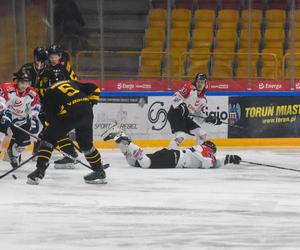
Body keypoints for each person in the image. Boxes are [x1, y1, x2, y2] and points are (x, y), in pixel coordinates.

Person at [26, 73, 105, 185]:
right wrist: (91, 102)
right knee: (86, 145)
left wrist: (50, 132)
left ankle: (39, 170)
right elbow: (94, 88)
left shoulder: (48, 92)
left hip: (70, 113)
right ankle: (99, 171)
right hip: (86, 111)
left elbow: (51, 118)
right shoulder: (71, 82)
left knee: (48, 138)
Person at [104, 131, 241, 169]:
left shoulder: (203, 150)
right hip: (174, 160)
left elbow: (214, 162)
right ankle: (127, 141)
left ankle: (122, 143)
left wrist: (229, 158)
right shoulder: (206, 151)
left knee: (133, 163)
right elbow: (208, 162)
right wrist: (222, 160)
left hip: (171, 154)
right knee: (146, 164)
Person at [44, 44, 79, 168]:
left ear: (59, 56)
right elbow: (42, 86)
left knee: (58, 129)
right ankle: (70, 153)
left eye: (55, 56)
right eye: (51, 56)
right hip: (52, 104)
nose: (53, 58)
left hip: (63, 104)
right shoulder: (46, 68)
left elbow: (75, 82)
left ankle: (70, 154)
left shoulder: (65, 67)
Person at [167, 73, 223, 149]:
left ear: (205, 84)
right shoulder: (189, 88)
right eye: (198, 82)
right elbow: (175, 97)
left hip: (185, 118)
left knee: (202, 134)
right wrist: (181, 105)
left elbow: (199, 114)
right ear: (195, 82)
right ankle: (169, 154)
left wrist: (210, 119)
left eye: (202, 82)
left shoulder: (203, 99)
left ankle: (198, 154)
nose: (200, 84)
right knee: (181, 136)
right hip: (175, 113)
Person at [0, 72, 40, 168]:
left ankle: (13, 155)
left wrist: (33, 118)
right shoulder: (7, 88)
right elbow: (1, 101)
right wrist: (2, 110)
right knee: (2, 127)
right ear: (17, 81)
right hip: (6, 113)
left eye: (27, 83)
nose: (24, 85)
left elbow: (35, 107)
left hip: (21, 118)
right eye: (22, 82)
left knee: (25, 142)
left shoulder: (32, 94)